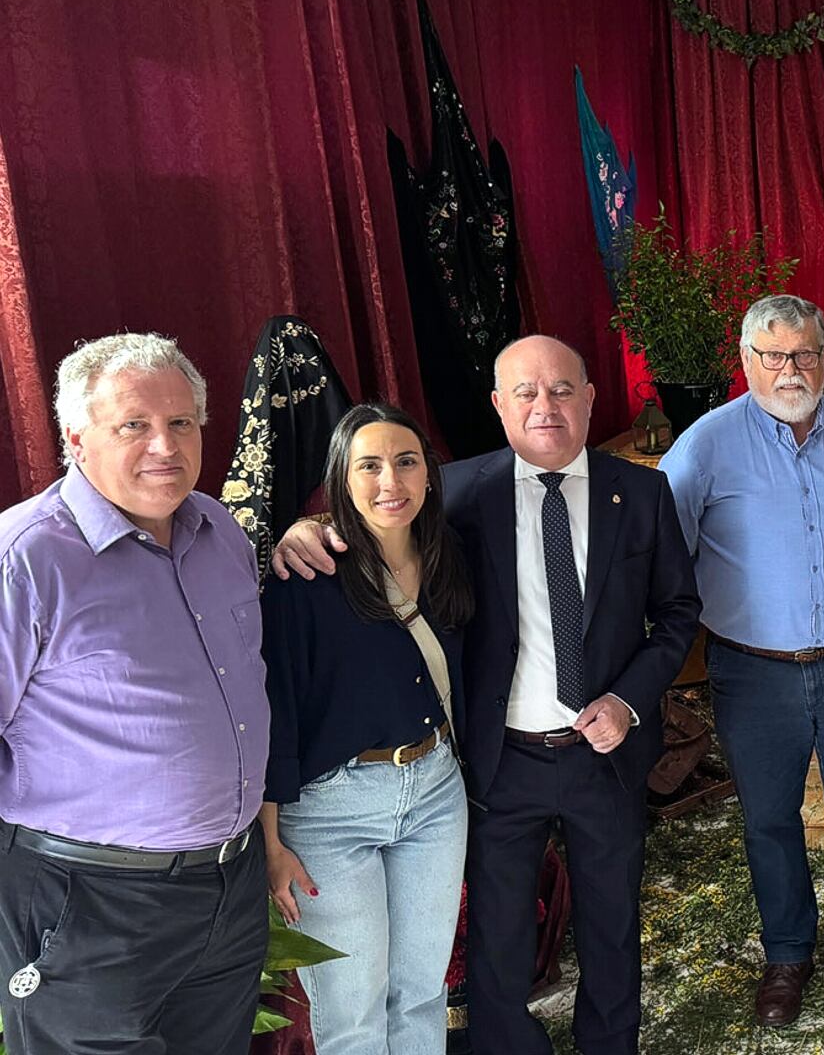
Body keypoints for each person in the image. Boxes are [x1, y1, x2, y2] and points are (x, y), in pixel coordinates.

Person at [273, 335, 701, 1055]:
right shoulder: (458, 492)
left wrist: (627, 700)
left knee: (611, 919)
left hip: (606, 756)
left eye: (563, 389)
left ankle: (609, 1044)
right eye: (526, 393)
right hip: (499, 761)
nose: (547, 406)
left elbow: (679, 614)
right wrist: (304, 529)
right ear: (499, 406)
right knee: (499, 930)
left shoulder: (644, 493)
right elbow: (379, 525)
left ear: (592, 398)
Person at [657, 294, 824, 1028]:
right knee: (770, 822)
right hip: (751, 673)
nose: (790, 369)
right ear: (746, 361)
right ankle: (788, 956)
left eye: (805, 353)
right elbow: (666, 554)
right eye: (773, 355)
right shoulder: (704, 446)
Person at [0, 333, 269, 1053]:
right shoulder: (24, 559)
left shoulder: (222, 533)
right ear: (76, 436)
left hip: (228, 886)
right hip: (88, 900)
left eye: (181, 422)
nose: (165, 445)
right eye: (134, 425)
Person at [261, 403, 473, 1053]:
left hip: (436, 794)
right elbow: (278, 712)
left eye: (406, 461)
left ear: (430, 474)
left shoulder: (448, 554)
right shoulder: (306, 576)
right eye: (370, 465)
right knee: (352, 1012)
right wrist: (271, 844)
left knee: (421, 990)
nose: (391, 482)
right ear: (341, 479)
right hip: (331, 814)